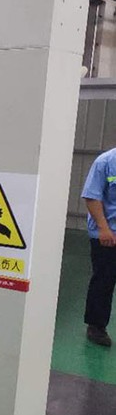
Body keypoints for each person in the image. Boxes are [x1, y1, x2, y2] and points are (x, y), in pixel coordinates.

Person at [82, 148, 116, 347]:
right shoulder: (105, 162)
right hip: (107, 234)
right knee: (104, 279)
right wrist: (104, 229)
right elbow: (92, 197)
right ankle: (96, 326)